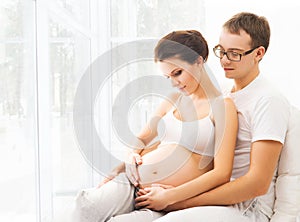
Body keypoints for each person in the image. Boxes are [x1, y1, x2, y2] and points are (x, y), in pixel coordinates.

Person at [73, 30, 238, 222]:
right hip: (132, 182)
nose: (174, 83)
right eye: (168, 77)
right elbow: (142, 138)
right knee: (85, 206)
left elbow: (221, 174)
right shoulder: (174, 99)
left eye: (177, 73)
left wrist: (170, 197)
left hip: (166, 200)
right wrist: (130, 156)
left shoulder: (222, 107)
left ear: (198, 62)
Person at [141, 12, 291, 222]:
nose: (224, 60)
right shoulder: (225, 94)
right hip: (210, 197)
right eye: (222, 51)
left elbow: (257, 184)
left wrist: (176, 202)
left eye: (235, 54)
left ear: (258, 53)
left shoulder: (268, 101)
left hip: (245, 208)